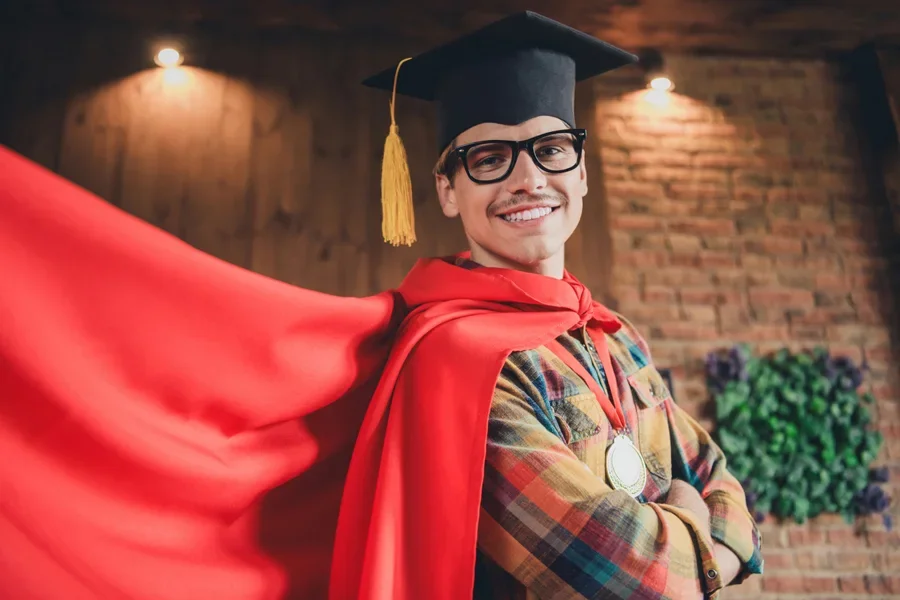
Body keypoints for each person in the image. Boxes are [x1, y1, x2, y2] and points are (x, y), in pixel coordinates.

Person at [0, 11, 761, 600]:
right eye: (489, 158)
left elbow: (719, 477)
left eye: (551, 149)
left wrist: (696, 527)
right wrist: (701, 528)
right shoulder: (463, 363)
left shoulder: (613, 336)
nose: (528, 179)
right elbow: (638, 579)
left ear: (581, 171)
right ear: (446, 189)